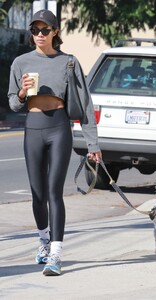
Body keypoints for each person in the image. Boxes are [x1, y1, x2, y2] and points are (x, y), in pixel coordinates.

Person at [8, 9, 102, 276]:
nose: (39, 35)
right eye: (35, 30)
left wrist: (93, 144)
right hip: (33, 127)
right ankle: (44, 241)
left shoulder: (68, 62)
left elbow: (84, 104)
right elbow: (14, 103)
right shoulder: (20, 63)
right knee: (37, 194)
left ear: (55, 32)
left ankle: (56, 255)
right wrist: (24, 92)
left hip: (59, 127)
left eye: (45, 30)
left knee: (53, 192)